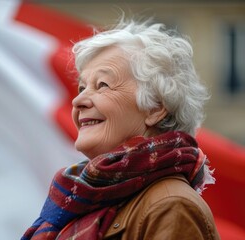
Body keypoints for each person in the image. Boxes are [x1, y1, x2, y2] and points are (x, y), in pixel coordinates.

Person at [21, 19, 220, 240]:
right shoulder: (78, 199)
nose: (78, 100)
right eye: (82, 87)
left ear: (154, 108)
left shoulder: (171, 207)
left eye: (102, 85)